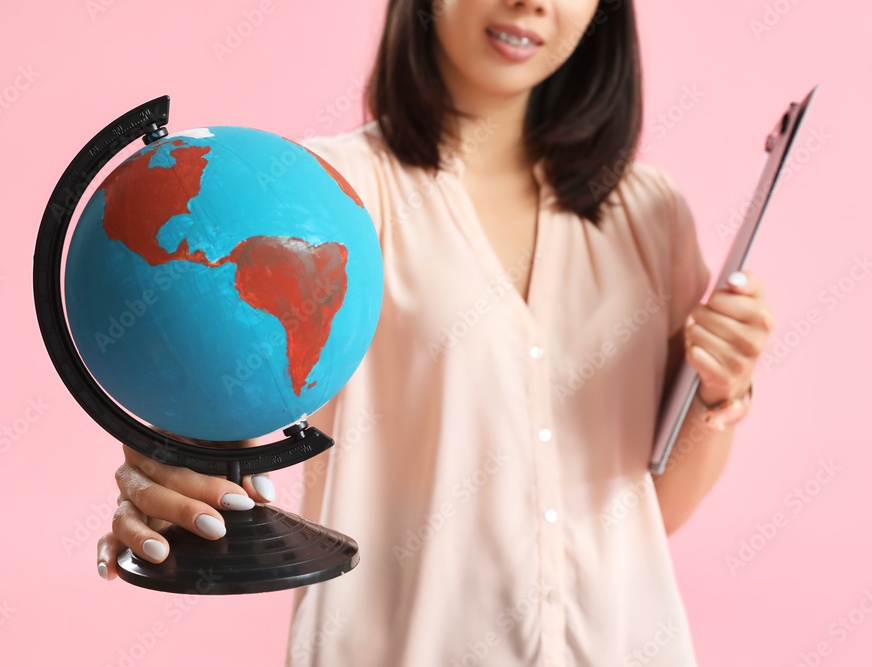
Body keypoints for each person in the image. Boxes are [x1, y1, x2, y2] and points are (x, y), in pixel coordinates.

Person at [98, 0, 775, 664]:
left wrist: (720, 394)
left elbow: (643, 512)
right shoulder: (329, 196)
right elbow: (235, 398)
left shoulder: (650, 213)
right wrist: (180, 467)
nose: (531, 3)